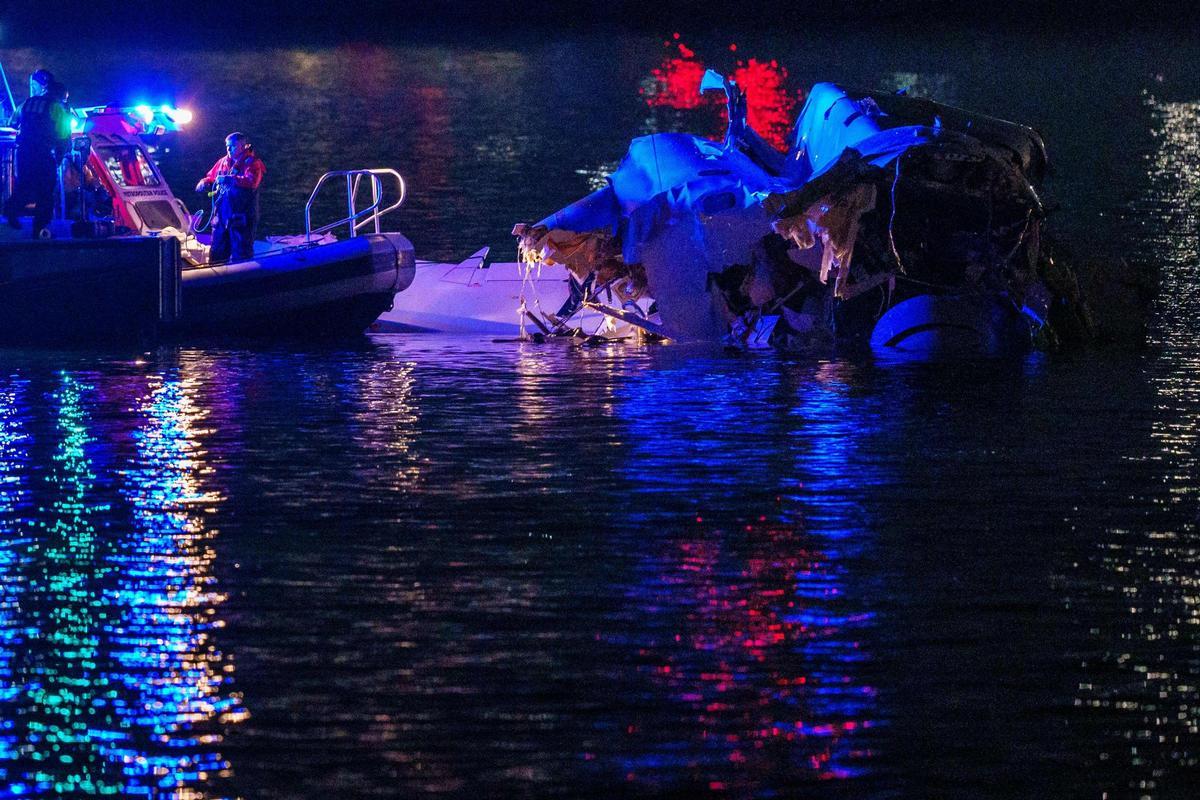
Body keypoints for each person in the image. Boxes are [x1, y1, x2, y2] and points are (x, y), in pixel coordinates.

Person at [4, 69, 71, 238]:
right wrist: (59, 157)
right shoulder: (56, 108)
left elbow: (12, 123)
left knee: (25, 184)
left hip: (23, 152)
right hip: (43, 153)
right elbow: (63, 136)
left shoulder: (27, 103)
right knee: (46, 190)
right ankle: (39, 229)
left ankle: (11, 209)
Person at [195, 131, 265, 263]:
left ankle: (242, 279)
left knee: (242, 252)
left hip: (241, 216)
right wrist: (204, 182)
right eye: (227, 146)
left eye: (232, 146)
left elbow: (252, 182)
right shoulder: (223, 162)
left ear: (242, 146)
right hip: (222, 215)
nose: (228, 149)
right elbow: (212, 176)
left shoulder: (253, 163)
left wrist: (230, 179)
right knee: (217, 251)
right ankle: (215, 280)